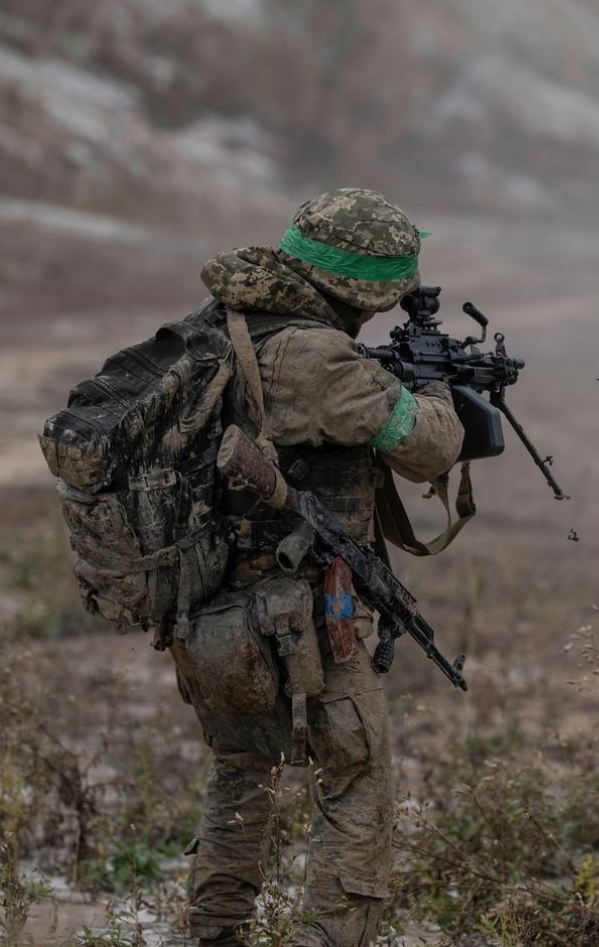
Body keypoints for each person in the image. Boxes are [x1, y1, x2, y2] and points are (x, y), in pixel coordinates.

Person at [176, 188, 464, 946]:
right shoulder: (318, 358)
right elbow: (431, 446)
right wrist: (431, 384)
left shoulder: (222, 322)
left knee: (242, 773)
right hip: (310, 612)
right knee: (357, 774)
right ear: (367, 290)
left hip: (209, 608)